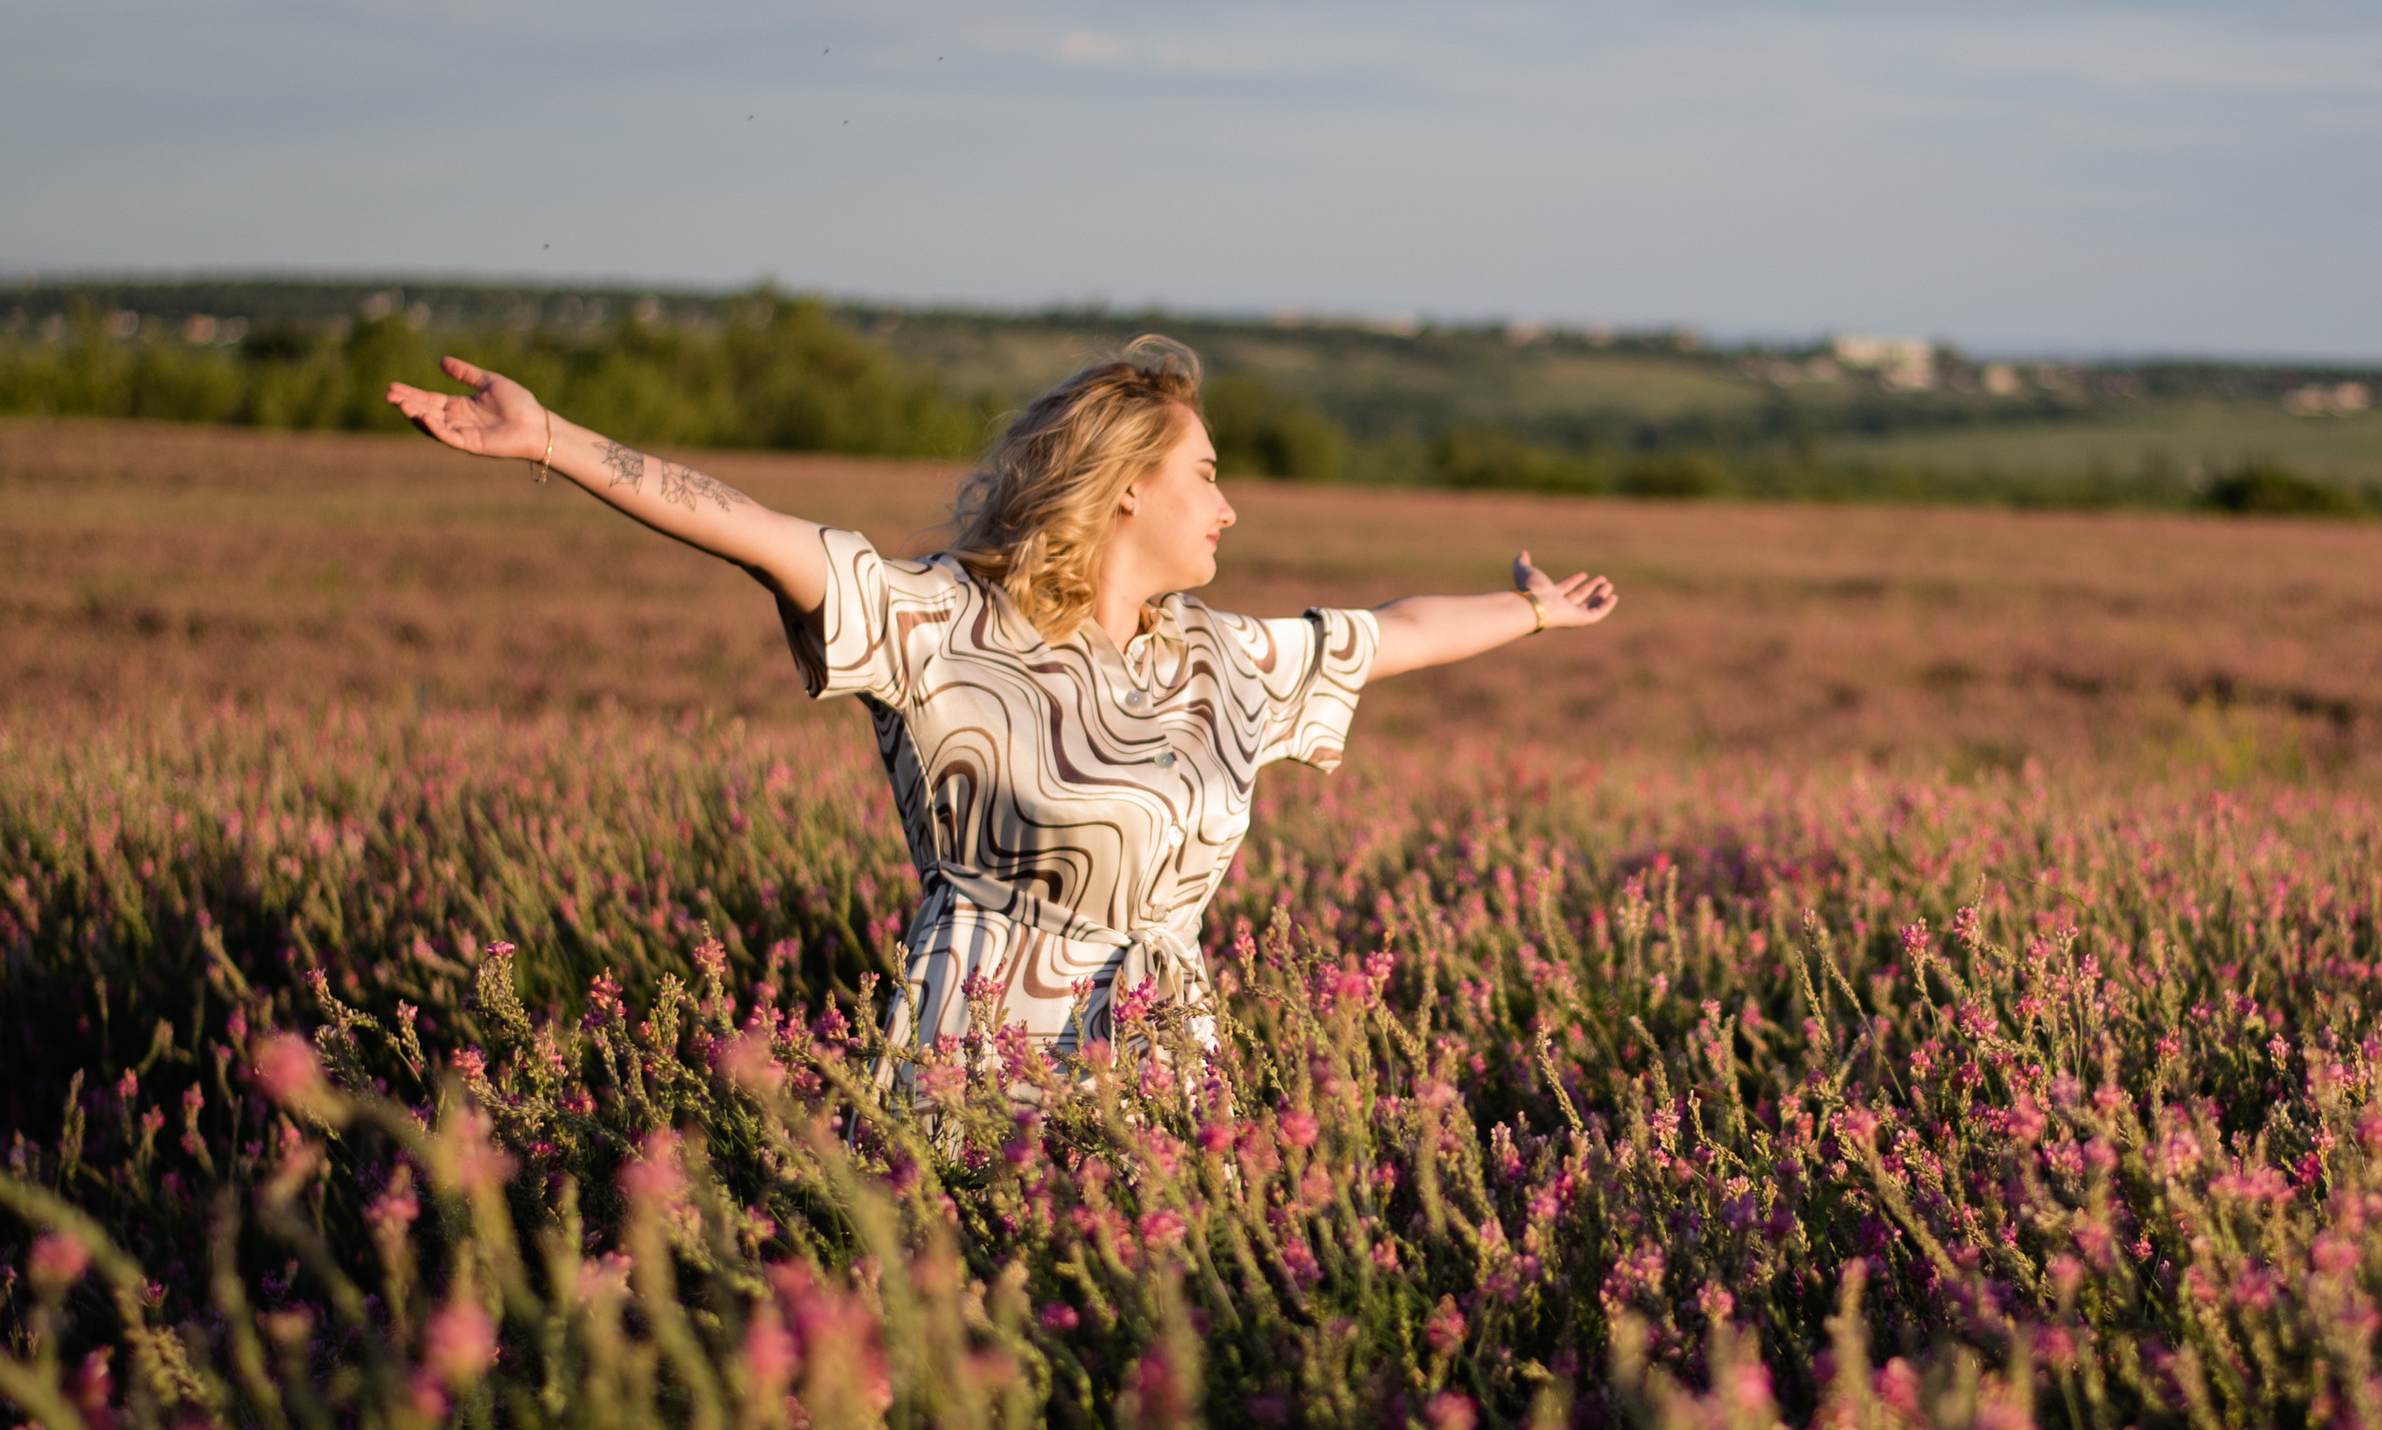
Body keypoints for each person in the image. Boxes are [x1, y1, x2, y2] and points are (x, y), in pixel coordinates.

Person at [389, 336, 1618, 1064]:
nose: (1228, 506)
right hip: (981, 1060)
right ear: (1123, 487)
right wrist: (554, 441)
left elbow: (1388, 634)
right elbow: (749, 530)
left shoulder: (1217, 660)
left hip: (1167, 1064)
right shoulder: (941, 623)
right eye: (1205, 475)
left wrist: (1533, 614)